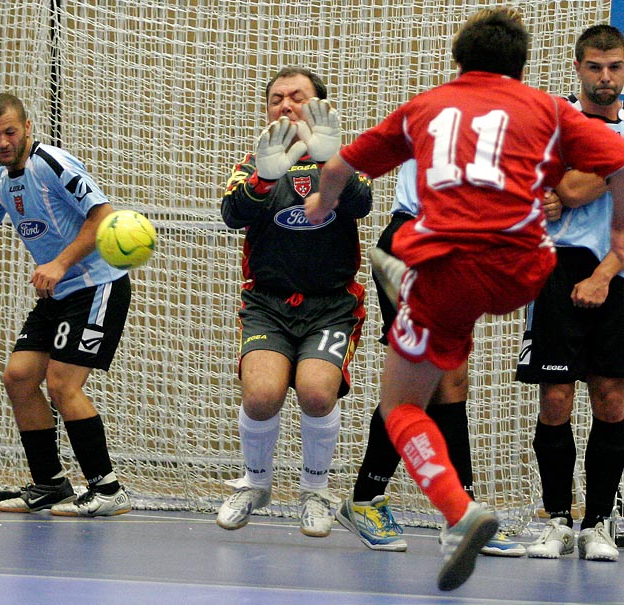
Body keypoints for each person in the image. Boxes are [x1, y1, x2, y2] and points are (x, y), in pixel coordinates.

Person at [305, 8, 624, 591]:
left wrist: (320, 207)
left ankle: (460, 509)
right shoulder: (550, 108)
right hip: (526, 269)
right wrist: (620, 243)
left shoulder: (426, 105)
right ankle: (411, 284)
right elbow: (619, 158)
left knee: (401, 404)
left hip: (448, 270)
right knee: (465, 350)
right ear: (524, 66)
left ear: (457, 61)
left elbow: (341, 166)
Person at [0, 93, 132, 517]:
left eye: (10, 132)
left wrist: (58, 263)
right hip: (56, 293)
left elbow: (104, 216)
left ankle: (108, 489)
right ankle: (50, 484)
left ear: (27, 128)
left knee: (62, 384)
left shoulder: (52, 163)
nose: (2, 142)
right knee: (19, 377)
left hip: (97, 285)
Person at [336, 159, 526, 557]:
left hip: (456, 248)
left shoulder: (502, 129)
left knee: (451, 381)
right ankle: (368, 499)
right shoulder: (440, 116)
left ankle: (460, 513)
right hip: (416, 241)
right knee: (420, 381)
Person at [217, 67, 372, 538]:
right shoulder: (253, 163)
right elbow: (231, 214)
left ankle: (315, 491)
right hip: (268, 303)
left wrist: (331, 164)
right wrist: (264, 179)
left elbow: (361, 204)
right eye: (276, 99)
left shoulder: (345, 159)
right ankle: (256, 482)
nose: (285, 105)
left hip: (331, 305)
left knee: (317, 392)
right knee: (262, 395)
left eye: (297, 97)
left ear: (319, 106)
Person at [516, 24, 624, 563]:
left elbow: (574, 187)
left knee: (612, 398)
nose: (605, 78)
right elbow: (544, 189)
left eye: (616, 67)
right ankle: (557, 518)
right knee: (556, 398)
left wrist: (570, 184)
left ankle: (599, 521)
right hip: (555, 270)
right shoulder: (552, 120)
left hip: (617, 271)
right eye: (595, 67)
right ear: (578, 67)